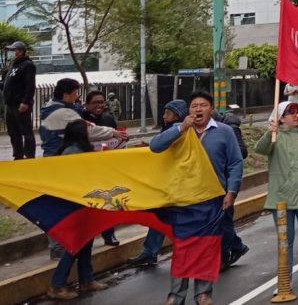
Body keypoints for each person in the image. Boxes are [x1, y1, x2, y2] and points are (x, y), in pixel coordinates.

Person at [151, 91, 243, 305]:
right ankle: (176, 294)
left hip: (213, 200)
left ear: (211, 109)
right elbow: (155, 146)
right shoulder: (178, 131)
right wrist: (181, 128)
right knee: (182, 247)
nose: (198, 109)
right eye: (194, 106)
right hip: (183, 201)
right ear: (188, 111)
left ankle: (203, 293)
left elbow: (235, 163)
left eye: (203, 105)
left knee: (207, 247)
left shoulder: (225, 132)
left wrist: (231, 192)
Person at [254, 102, 298, 296]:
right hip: (281, 199)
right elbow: (260, 149)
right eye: (290, 112)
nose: (296, 115)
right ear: (281, 117)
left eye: (297, 111)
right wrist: (270, 132)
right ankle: (285, 281)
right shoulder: (274, 136)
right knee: (286, 243)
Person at [45, 121, 109, 300]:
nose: (90, 132)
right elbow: (72, 177)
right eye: (88, 130)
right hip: (73, 204)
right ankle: (57, 284)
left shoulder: (79, 149)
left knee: (86, 240)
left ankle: (87, 279)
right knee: (76, 243)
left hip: (82, 202)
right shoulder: (72, 151)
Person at [128, 100, 187, 268]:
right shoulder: (172, 130)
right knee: (163, 218)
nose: (164, 116)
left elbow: (159, 146)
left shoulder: (178, 130)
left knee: (170, 218)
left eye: (167, 113)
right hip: (169, 184)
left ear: (177, 115)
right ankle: (150, 252)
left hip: (175, 185)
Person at [40, 78, 127, 157]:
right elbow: (87, 131)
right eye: (75, 93)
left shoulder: (51, 107)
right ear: (66, 95)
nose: (76, 96)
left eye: (102, 102)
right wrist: (112, 132)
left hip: (54, 154)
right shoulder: (64, 113)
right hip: (61, 156)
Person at [83, 90, 122, 246]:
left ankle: (109, 233)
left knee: (108, 201)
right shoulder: (81, 120)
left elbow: (117, 138)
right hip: (87, 167)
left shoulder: (109, 120)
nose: (99, 105)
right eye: (95, 103)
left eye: (101, 102)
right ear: (87, 105)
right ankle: (86, 238)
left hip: (106, 167)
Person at [214, 104, 249, 268]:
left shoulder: (229, 129)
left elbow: (241, 153)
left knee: (225, 219)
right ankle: (237, 246)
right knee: (219, 220)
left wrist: (225, 155)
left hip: (226, 181)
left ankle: (224, 254)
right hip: (212, 182)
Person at [3, 40, 37, 159]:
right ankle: (18, 155)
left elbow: (30, 85)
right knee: (13, 132)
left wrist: (25, 102)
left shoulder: (27, 65)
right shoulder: (13, 65)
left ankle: (29, 155)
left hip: (20, 104)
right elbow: (9, 83)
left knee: (26, 131)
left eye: (14, 50)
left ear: (21, 51)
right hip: (10, 104)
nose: (11, 52)